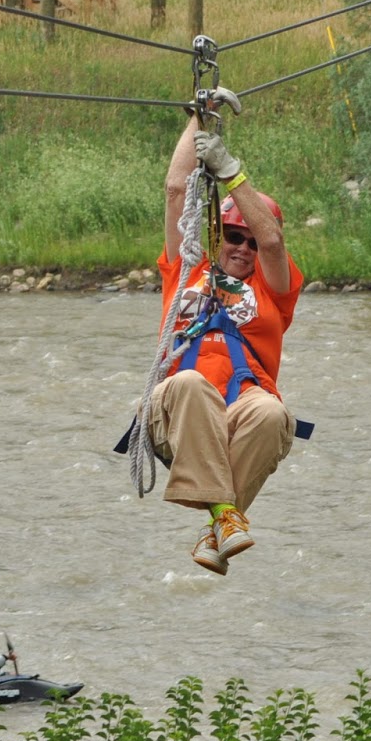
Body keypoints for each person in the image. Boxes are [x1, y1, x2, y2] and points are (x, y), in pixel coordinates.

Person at [150, 90, 302, 576]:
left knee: (272, 412)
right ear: (217, 235)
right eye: (235, 236)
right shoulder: (187, 271)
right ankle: (223, 513)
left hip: (240, 411)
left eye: (250, 242)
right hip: (178, 410)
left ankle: (217, 528)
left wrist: (231, 172)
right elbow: (176, 191)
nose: (244, 248)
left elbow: (273, 241)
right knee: (192, 383)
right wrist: (200, 117)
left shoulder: (273, 290)